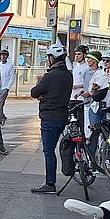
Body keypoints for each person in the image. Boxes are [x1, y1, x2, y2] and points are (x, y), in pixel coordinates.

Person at [30, 43, 73, 194]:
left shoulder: (49, 76)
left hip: (49, 117)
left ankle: (50, 184)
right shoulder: (68, 75)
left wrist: (40, 85)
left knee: (48, 151)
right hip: (63, 116)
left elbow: (34, 92)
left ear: (52, 59)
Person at [0, 49, 15, 124]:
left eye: (5, 55)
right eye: (2, 55)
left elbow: (11, 77)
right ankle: (3, 117)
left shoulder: (10, 66)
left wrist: (7, 88)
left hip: (4, 88)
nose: (3, 56)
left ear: (7, 56)